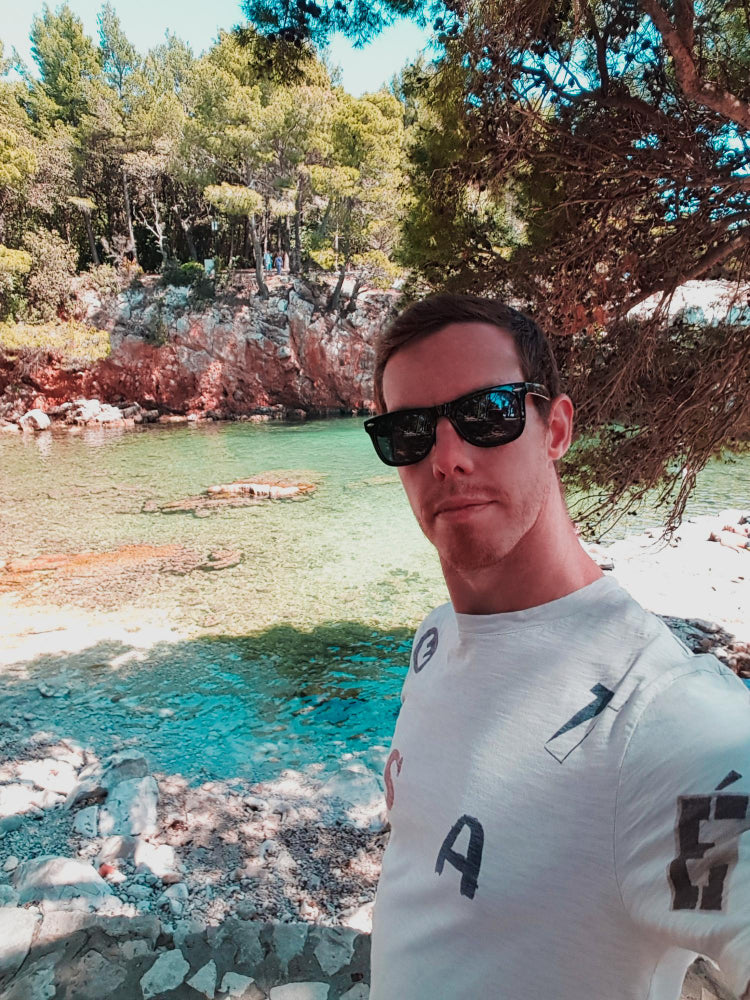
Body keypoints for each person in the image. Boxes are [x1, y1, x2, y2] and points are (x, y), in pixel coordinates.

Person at [363, 294, 750, 1000]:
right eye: (409, 432)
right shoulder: (435, 639)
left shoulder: (664, 715)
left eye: (489, 413)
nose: (446, 458)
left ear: (557, 429)